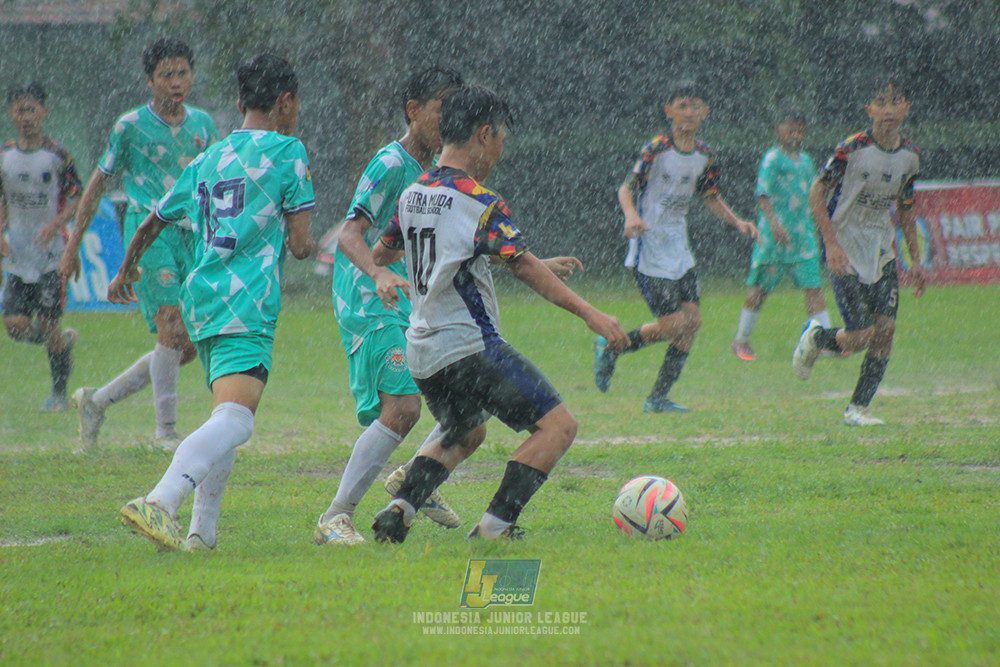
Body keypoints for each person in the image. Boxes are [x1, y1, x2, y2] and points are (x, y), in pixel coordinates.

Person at [368, 84, 628, 543]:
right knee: (557, 427)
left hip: (423, 351)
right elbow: (522, 267)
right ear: (484, 134)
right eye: (501, 136)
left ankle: (400, 508)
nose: (501, 147)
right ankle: (494, 527)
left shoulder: (413, 194)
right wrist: (593, 315)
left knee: (466, 430)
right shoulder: (479, 199)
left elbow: (382, 252)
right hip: (469, 347)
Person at [110, 53, 315, 551]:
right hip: (248, 301)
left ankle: (203, 535)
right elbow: (303, 245)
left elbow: (153, 219)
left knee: (223, 416)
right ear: (285, 102)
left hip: (202, 299)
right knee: (237, 420)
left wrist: (126, 268)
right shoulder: (289, 152)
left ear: (242, 101)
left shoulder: (208, 157)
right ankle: (160, 500)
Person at [315, 67, 466, 546]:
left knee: (460, 397)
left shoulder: (442, 174)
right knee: (401, 407)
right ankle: (335, 516)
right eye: (443, 110)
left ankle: (414, 475)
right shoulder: (389, 164)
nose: (450, 121)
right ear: (414, 111)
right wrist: (378, 271)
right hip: (368, 298)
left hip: (412, 300)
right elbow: (350, 233)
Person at [59, 37, 219, 451]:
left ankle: (97, 400)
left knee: (185, 346)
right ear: (150, 81)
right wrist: (72, 245)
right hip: (148, 234)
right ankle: (165, 432)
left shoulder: (203, 125)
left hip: (191, 235)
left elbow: (217, 183)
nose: (176, 82)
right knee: (171, 322)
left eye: (182, 72)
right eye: (166, 75)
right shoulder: (129, 127)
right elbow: (96, 184)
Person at [594, 80, 758, 412]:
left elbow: (710, 196)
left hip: (679, 248)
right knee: (672, 326)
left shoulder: (705, 155)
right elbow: (626, 188)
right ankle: (612, 347)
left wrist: (737, 221)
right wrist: (630, 217)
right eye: (682, 105)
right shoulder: (656, 149)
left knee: (692, 323)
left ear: (705, 113)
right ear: (669, 111)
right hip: (650, 246)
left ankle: (657, 398)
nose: (689, 112)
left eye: (695, 106)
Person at [792, 75, 924, 426]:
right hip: (845, 246)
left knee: (886, 330)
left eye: (895, 101)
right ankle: (817, 337)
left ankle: (857, 408)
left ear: (906, 107)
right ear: (869, 109)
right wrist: (831, 244)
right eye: (880, 102)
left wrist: (915, 259)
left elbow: (907, 207)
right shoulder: (852, 148)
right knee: (862, 335)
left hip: (881, 250)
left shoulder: (910, 157)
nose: (888, 110)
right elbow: (816, 192)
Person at [0, 82, 82, 411]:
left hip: (51, 256)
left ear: (45, 113)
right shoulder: (4, 155)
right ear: (10, 114)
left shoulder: (59, 156)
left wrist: (55, 223)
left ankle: (58, 395)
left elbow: (78, 198)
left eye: (32, 109)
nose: (27, 117)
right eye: (20, 110)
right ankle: (63, 344)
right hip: (18, 255)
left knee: (49, 324)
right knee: (15, 327)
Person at [732, 109, 831, 361]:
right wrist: (775, 224)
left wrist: (819, 229)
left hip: (803, 236)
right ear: (778, 130)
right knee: (760, 289)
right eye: (790, 130)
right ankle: (741, 339)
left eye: (800, 130)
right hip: (774, 237)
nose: (796, 135)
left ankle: (826, 342)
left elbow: (814, 195)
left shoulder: (806, 161)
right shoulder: (772, 159)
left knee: (813, 288)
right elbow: (762, 194)